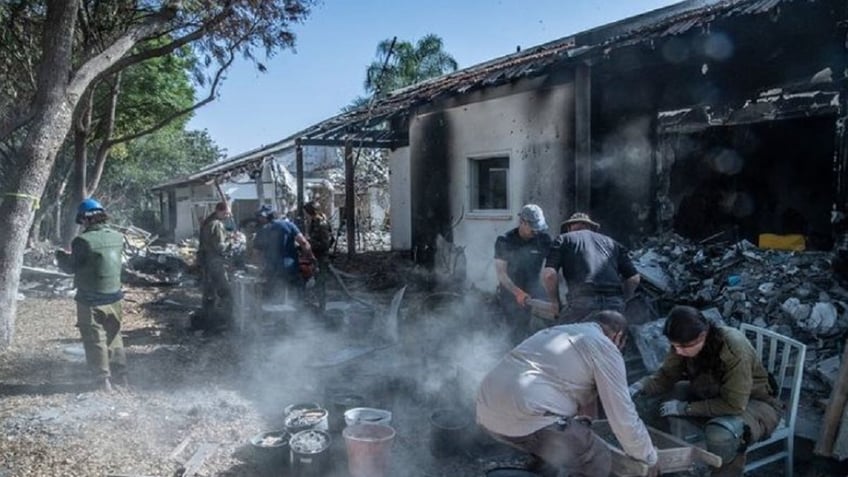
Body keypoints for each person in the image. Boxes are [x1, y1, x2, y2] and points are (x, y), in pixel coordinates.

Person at [476, 310, 658, 477]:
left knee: (562, 439)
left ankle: (541, 469)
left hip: (486, 412)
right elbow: (623, 416)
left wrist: (581, 428)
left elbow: (571, 389)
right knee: (596, 455)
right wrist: (648, 457)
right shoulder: (604, 346)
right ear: (618, 336)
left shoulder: (559, 332)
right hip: (525, 416)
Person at [629, 305, 783, 476]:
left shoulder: (734, 348)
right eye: (674, 346)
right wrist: (639, 386)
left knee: (722, 434)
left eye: (684, 346)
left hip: (753, 403)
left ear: (702, 335)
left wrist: (685, 408)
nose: (678, 351)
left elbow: (734, 405)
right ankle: (670, 464)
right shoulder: (683, 344)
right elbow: (666, 375)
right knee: (653, 402)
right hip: (709, 393)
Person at [56, 198, 126, 391]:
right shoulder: (117, 237)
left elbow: (70, 268)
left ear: (85, 219)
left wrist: (60, 255)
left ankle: (102, 381)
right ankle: (121, 375)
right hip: (115, 297)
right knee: (114, 335)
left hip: (90, 299)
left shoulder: (82, 241)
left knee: (94, 339)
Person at [542, 212, 640, 323]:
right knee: (609, 340)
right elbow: (634, 278)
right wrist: (622, 299)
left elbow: (549, 275)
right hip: (613, 305)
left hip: (582, 303)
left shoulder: (564, 239)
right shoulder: (613, 243)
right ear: (591, 228)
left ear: (569, 228)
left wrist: (555, 302)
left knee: (564, 337)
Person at [494, 204, 552, 343]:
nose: (536, 232)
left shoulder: (543, 240)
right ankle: (514, 358)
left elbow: (551, 268)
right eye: (533, 229)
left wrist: (552, 293)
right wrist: (518, 292)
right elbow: (501, 274)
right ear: (522, 222)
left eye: (539, 229)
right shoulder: (505, 240)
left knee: (548, 328)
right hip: (511, 292)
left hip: (534, 288)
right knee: (517, 332)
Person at [252, 205, 314, 302]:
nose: (259, 219)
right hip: (291, 269)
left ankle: (276, 317)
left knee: (273, 300)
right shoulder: (289, 225)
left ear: (265, 217)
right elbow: (304, 243)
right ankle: (301, 315)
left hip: (272, 271)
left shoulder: (262, 231)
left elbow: (256, 254)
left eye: (260, 217)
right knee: (296, 299)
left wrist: (259, 269)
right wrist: (311, 258)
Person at [196, 201, 233, 330]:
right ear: (220, 211)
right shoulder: (216, 224)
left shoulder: (207, 222)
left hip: (206, 262)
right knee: (226, 292)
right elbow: (219, 247)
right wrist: (232, 242)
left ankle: (207, 322)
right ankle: (226, 322)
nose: (228, 216)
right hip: (215, 263)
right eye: (227, 213)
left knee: (209, 292)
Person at [303, 201, 334, 312]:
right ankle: (319, 306)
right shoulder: (314, 222)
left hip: (321, 258)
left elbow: (326, 243)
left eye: (306, 212)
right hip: (316, 257)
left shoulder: (321, 223)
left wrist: (309, 243)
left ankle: (322, 308)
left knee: (320, 283)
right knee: (317, 282)